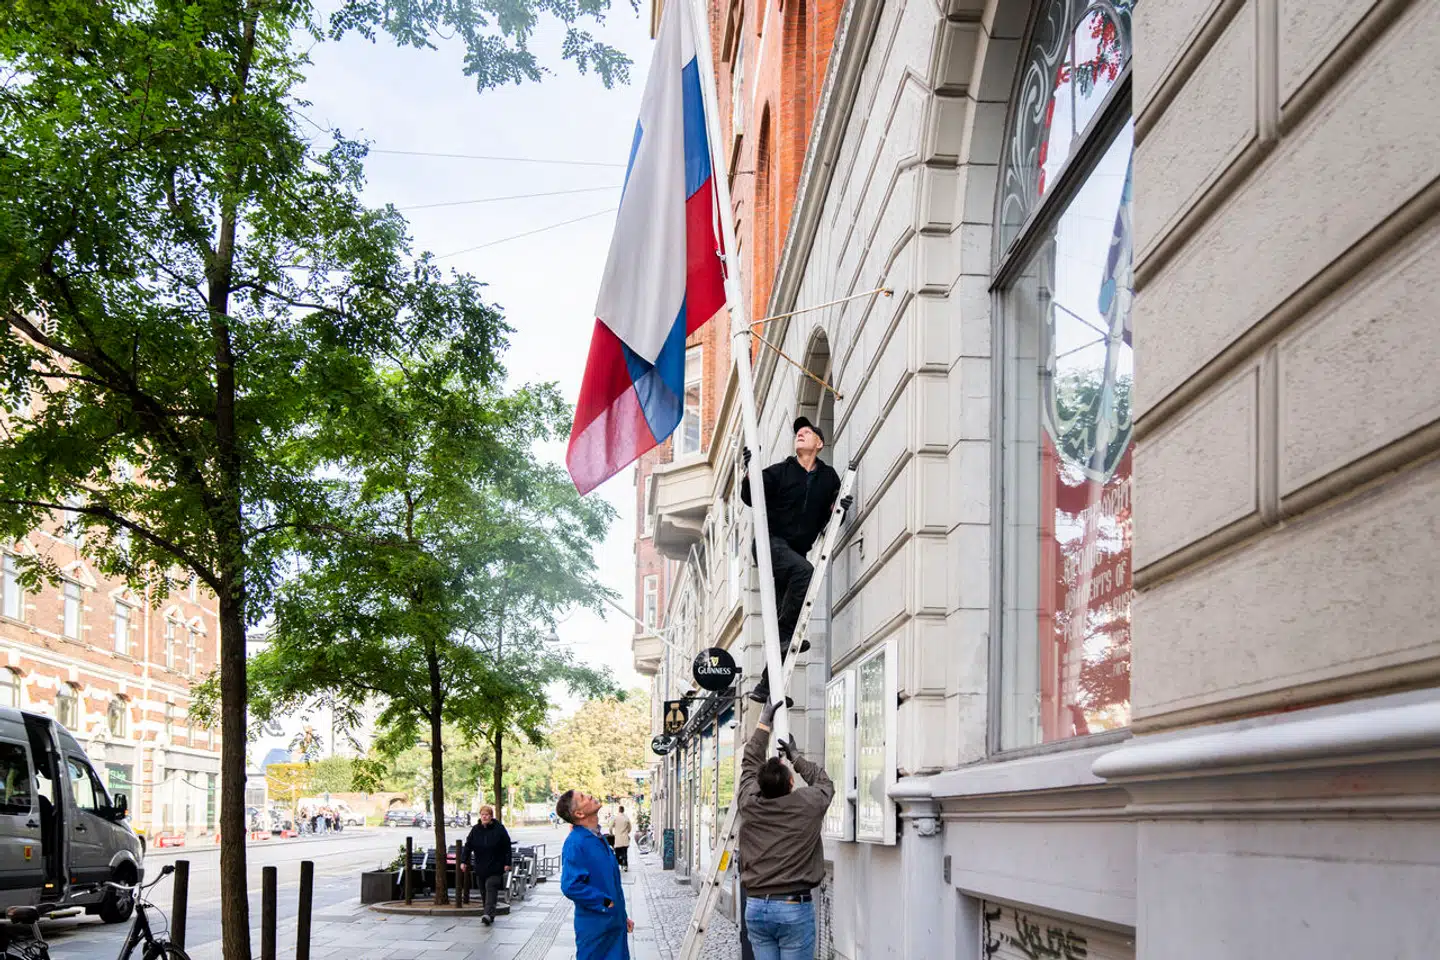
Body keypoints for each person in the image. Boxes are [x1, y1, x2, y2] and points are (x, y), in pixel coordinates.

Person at [740, 416, 852, 702]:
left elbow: (832, 514)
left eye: (807, 432)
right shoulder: (781, 471)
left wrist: (841, 508)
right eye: (798, 433)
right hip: (770, 546)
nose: (800, 434)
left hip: (796, 551)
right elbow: (751, 496)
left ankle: (767, 687)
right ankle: (786, 640)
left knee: (783, 617)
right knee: (805, 572)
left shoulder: (828, 478)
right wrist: (749, 471)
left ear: (819, 443)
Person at [737, 699, 834, 960]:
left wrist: (762, 724)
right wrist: (796, 756)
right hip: (793, 907)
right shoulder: (807, 804)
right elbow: (825, 782)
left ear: (759, 786)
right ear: (792, 782)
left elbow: (749, 765)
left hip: (756, 906)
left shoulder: (750, 803)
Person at [557, 789, 632, 960]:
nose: (590, 796)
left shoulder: (598, 837)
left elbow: (608, 882)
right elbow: (570, 886)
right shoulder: (576, 842)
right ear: (579, 813)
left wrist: (622, 915)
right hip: (596, 929)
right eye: (583, 797)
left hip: (613, 925)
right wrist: (606, 903)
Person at [462, 804, 513, 925]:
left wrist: (507, 863)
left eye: (487, 815)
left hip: (496, 867)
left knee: (491, 887)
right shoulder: (475, 830)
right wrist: (464, 861)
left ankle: (487, 914)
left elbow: (507, 846)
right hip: (480, 867)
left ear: (491, 816)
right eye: (482, 815)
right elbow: (468, 846)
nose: (484, 817)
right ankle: (489, 913)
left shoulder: (499, 829)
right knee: (484, 892)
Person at [609, 805, 632, 871]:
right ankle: (625, 866)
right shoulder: (626, 818)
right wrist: (627, 832)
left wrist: (611, 833)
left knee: (617, 853)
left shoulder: (615, 818)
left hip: (618, 839)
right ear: (623, 810)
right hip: (625, 838)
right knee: (625, 853)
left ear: (619, 810)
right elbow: (630, 828)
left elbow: (610, 827)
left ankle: (618, 865)